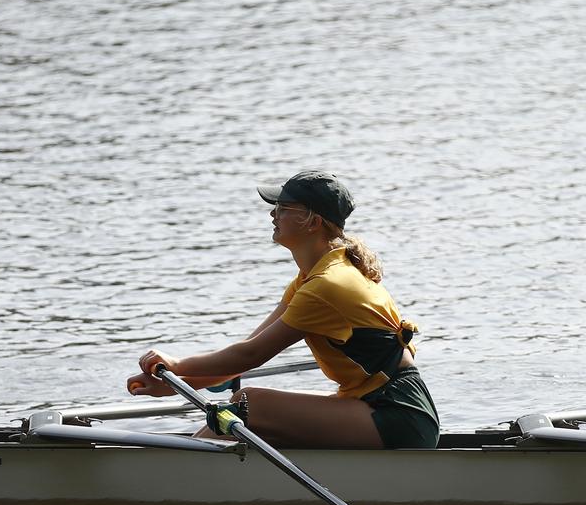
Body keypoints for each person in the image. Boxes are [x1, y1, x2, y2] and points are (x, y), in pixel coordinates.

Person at [126, 170, 439, 449]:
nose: (273, 214)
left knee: (250, 403)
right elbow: (242, 356)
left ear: (313, 222)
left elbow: (250, 357)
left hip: (398, 416)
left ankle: (180, 475)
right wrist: (174, 384)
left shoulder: (327, 286)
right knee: (241, 416)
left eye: (283, 208)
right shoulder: (312, 278)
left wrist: (178, 363)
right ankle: (187, 468)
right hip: (375, 406)